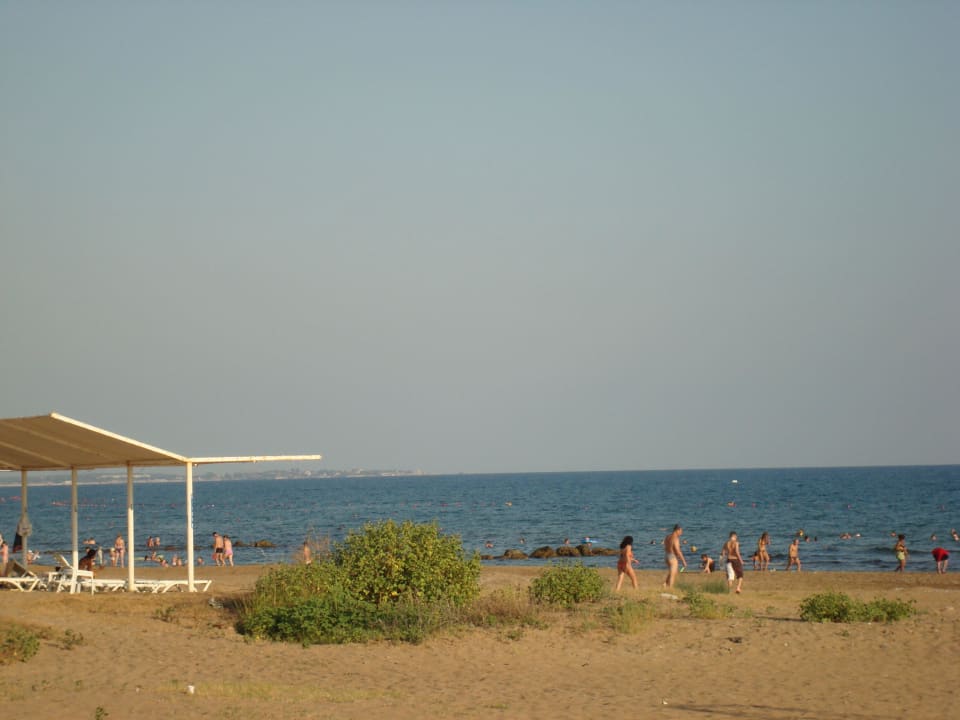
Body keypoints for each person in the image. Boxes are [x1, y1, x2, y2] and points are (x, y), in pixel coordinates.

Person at [662, 524, 687, 588]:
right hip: (672, 557)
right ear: (677, 530)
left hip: (666, 555)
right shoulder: (675, 538)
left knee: (671, 572)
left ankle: (665, 584)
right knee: (673, 574)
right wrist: (683, 561)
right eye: (681, 531)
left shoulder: (667, 536)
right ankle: (670, 588)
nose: (681, 533)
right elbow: (677, 550)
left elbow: (665, 545)